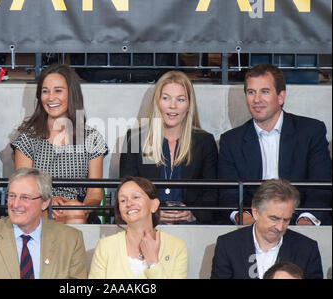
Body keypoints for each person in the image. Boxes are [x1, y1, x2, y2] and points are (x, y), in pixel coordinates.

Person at [218, 63, 332, 225]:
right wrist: (246, 219)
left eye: (265, 91)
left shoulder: (311, 131)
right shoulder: (231, 141)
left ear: (280, 97)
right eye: (251, 92)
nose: (257, 99)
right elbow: (228, 195)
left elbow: (321, 186)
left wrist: (307, 220)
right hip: (252, 224)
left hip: (298, 221)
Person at [11, 63, 108, 224]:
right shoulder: (28, 139)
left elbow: (94, 194)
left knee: (74, 216)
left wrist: (78, 208)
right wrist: (47, 202)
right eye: (45, 91)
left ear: (71, 94)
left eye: (58, 91)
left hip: (77, 210)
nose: (50, 97)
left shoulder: (91, 137)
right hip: (37, 207)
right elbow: (23, 189)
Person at [120, 70, 218, 224]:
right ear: (157, 102)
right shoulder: (135, 139)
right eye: (166, 98)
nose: (173, 106)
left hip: (191, 227)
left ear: (188, 105)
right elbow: (127, 190)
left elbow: (211, 193)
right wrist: (152, 213)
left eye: (180, 99)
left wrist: (193, 214)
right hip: (147, 224)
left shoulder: (204, 141)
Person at [0, 167, 87, 279]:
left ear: (44, 203)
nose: (15, 204)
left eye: (25, 198)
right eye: (12, 196)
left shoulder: (71, 240)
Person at [211, 179, 323, 279]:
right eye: (274, 218)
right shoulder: (228, 245)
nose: (280, 227)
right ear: (255, 213)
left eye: (286, 220)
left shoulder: (307, 249)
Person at [89, 176, 188, 278]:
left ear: (154, 205)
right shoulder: (105, 247)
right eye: (123, 200)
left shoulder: (177, 247)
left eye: (136, 197)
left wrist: (153, 262)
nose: (129, 203)